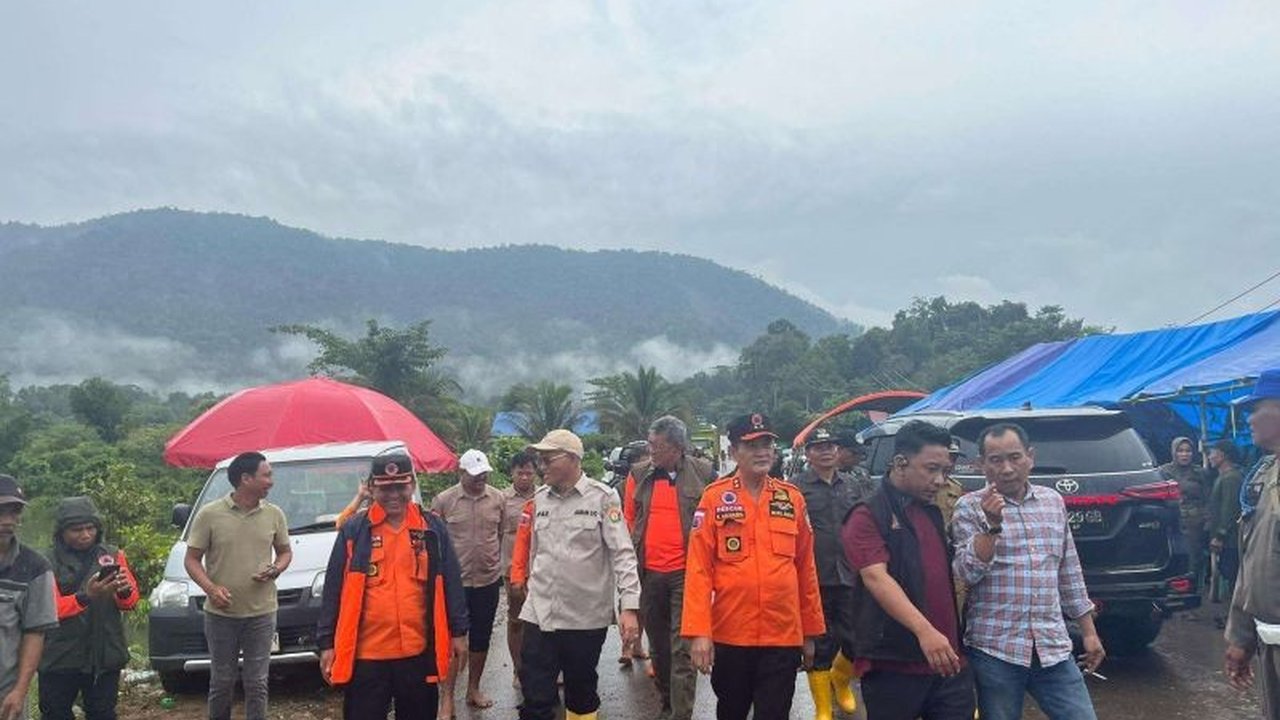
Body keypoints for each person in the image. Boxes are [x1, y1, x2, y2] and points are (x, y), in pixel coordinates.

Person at [952, 422, 1104, 720]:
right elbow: (966, 573)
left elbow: (1068, 571)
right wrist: (992, 525)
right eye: (995, 460)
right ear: (981, 464)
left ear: (1030, 457)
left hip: (1053, 647)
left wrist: (1089, 632)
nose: (1007, 468)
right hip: (995, 649)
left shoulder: (1052, 502)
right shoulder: (969, 507)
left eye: (1015, 457)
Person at [682, 412, 825, 720]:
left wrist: (810, 631)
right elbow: (698, 570)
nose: (763, 452)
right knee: (731, 711)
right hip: (732, 635)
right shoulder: (715, 498)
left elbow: (806, 569)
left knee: (774, 713)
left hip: (782, 636)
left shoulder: (792, 499)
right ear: (733, 452)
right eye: (752, 445)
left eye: (768, 444)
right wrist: (698, 632)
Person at [317, 453, 469, 720]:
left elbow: (452, 581)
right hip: (368, 656)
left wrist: (459, 632)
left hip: (418, 652)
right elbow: (333, 591)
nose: (394, 495)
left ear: (412, 485)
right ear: (372, 487)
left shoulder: (431, 529)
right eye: (386, 488)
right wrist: (327, 643)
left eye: (401, 486)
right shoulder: (355, 531)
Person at [842, 420, 974, 720]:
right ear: (900, 462)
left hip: (949, 659)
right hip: (894, 663)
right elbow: (877, 578)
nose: (940, 480)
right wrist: (925, 631)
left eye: (945, 471)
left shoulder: (929, 510)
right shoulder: (867, 514)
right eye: (931, 469)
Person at [509, 429, 642, 720]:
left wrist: (629, 607)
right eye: (540, 459)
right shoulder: (540, 498)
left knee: (581, 693)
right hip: (540, 611)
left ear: (572, 459)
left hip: (584, 616)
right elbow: (535, 552)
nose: (541, 466)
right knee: (535, 694)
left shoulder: (602, 498)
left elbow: (623, 554)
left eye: (548, 459)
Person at [184, 451, 293, 720]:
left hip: (262, 612)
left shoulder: (274, 514)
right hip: (221, 615)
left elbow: (285, 552)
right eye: (266, 475)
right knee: (222, 681)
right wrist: (211, 589)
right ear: (246, 479)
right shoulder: (210, 514)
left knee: (257, 683)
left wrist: (275, 569)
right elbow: (192, 560)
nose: (271, 481)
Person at [622, 416, 715, 720]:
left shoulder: (703, 474)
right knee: (659, 650)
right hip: (649, 574)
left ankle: (681, 714)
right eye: (649, 444)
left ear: (676, 447)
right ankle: (667, 705)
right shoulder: (638, 475)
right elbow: (628, 520)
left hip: (686, 575)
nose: (650, 452)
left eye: (656, 446)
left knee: (682, 651)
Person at [38, 496, 140, 720]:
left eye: (90, 528)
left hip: (104, 655)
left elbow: (131, 603)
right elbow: (48, 610)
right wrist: (86, 596)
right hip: (59, 657)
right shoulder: (45, 562)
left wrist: (122, 590)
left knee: (102, 713)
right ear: (62, 532)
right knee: (55, 714)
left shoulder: (113, 555)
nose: (85, 535)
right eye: (76, 530)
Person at [792, 427, 869, 719]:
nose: (826, 451)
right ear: (809, 453)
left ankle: (841, 679)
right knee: (819, 643)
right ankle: (823, 707)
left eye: (831, 446)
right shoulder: (796, 488)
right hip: (815, 576)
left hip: (851, 574)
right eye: (819, 447)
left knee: (856, 639)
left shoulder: (853, 485)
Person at [431, 449, 505, 717]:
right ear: (461, 473)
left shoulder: (497, 499)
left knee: (481, 638)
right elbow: (434, 543)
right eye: (474, 475)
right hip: (455, 584)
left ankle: (473, 688)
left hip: (487, 579)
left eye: (484, 474)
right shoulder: (443, 501)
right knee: (452, 640)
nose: (480, 479)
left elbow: (498, 535)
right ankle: (447, 697)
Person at [1224, 368, 1280, 716]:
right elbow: (1254, 562)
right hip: (1271, 640)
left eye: (1255, 408)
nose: (1249, 419)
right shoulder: (1265, 474)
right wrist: (1241, 636)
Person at [0, 475, 57, 720]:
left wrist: (20, 691)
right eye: (1, 511)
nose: (8, 520)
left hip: (5, 693)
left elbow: (35, 633)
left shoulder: (34, 567)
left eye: (15, 511)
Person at [501, 450, 538, 687]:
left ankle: (546, 669)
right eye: (520, 473)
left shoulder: (546, 496)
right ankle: (518, 669)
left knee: (543, 621)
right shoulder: (501, 499)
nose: (524, 477)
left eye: (529, 472)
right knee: (516, 621)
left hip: (540, 571)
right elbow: (495, 534)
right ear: (512, 473)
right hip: (512, 570)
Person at [1161, 436, 1211, 594]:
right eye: (1180, 451)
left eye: (1188, 451)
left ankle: (1192, 595)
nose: (1184, 454)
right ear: (1173, 452)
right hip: (1171, 522)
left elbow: (1208, 499)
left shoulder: (1200, 473)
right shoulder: (1163, 472)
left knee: (1194, 558)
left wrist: (1208, 521)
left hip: (1195, 523)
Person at [1208, 438, 1245, 615]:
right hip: (1227, 538)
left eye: (1212, 452)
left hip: (1230, 539)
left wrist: (1220, 535)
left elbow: (1229, 510)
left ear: (1222, 455)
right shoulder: (1224, 477)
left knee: (1233, 577)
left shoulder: (1231, 478)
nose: (1209, 456)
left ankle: (1235, 617)